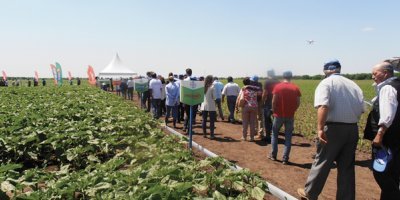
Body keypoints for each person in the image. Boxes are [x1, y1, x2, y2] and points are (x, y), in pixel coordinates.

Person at [297, 59, 364, 200]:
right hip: (352, 129)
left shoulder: (326, 83)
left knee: (323, 160)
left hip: (333, 129)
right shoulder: (353, 85)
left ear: (326, 71)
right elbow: (361, 109)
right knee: (347, 166)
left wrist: (320, 129)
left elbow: (323, 106)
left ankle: (310, 192)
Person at [364, 61, 400, 199]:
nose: (373, 76)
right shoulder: (397, 84)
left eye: (375, 73)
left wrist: (379, 135)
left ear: (385, 73)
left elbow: (387, 115)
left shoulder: (387, 88)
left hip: (387, 138)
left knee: (381, 172)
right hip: (397, 136)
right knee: (393, 173)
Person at [268, 71, 301, 165]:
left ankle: (273, 155)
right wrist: (293, 110)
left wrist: (274, 111)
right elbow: (298, 103)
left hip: (278, 115)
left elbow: (274, 101)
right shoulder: (295, 88)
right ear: (291, 77)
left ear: (283, 76)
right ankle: (285, 158)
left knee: (274, 134)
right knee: (288, 137)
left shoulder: (278, 87)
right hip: (290, 115)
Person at [236, 77, 260, 141]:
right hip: (254, 106)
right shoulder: (255, 89)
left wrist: (237, 107)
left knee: (245, 122)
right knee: (252, 123)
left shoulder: (243, 89)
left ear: (243, 83)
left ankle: (244, 137)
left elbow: (239, 98)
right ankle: (252, 138)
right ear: (250, 82)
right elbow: (260, 92)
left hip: (246, 106)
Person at [263, 70, 280, 143]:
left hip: (268, 102)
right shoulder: (278, 81)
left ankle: (268, 136)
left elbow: (265, 93)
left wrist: (262, 101)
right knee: (276, 119)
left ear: (268, 74)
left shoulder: (267, 82)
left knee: (267, 120)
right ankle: (275, 136)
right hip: (277, 103)